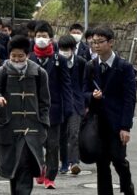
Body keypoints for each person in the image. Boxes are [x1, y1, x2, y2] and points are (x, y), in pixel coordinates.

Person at [0, 35, 50, 195]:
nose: (17, 59)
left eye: (21, 56)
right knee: (14, 169)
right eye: (14, 56)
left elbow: (45, 103)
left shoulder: (39, 73)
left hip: (32, 130)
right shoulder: (1, 72)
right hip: (9, 129)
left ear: (27, 55)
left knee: (25, 166)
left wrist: (44, 126)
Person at [82, 26, 137, 195]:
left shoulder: (124, 67)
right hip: (98, 123)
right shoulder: (90, 66)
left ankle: (127, 187)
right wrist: (92, 95)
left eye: (100, 42)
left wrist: (125, 127)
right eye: (93, 42)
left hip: (117, 123)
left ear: (111, 43)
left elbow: (129, 99)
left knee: (118, 159)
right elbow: (83, 91)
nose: (96, 46)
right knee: (102, 163)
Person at [29, 21, 71, 189]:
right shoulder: (29, 58)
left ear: (51, 39)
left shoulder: (59, 59)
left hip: (54, 109)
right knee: (35, 143)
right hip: (33, 109)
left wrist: (68, 108)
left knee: (53, 144)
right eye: (38, 36)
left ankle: (50, 176)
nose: (41, 39)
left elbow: (66, 85)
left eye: (44, 36)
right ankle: (39, 170)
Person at [57, 34, 86, 176]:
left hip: (76, 103)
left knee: (74, 133)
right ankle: (63, 161)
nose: (64, 51)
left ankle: (74, 162)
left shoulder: (81, 62)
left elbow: (84, 83)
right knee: (60, 134)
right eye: (62, 48)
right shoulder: (55, 61)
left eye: (67, 48)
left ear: (73, 49)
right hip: (60, 103)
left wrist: (85, 103)